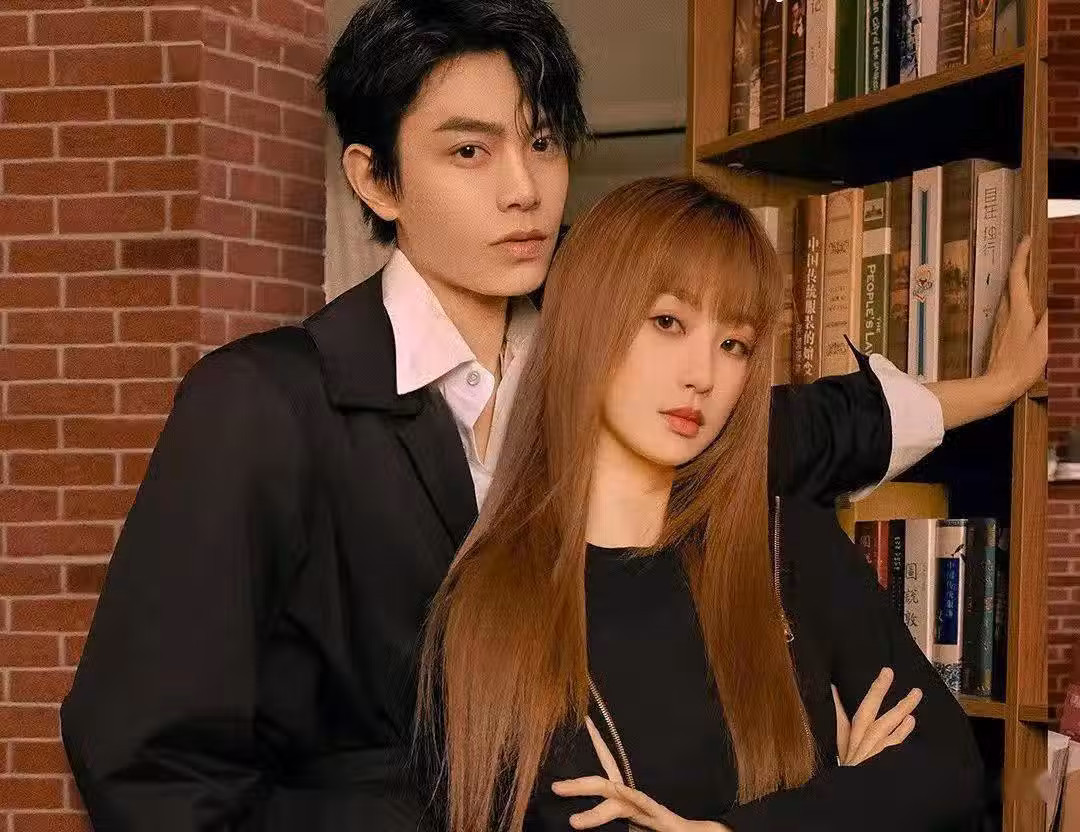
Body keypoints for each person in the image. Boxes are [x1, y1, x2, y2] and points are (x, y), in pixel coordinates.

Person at [59, 1, 1045, 830]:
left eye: (540, 142)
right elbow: (146, 765)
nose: (523, 190)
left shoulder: (615, 373)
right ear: (375, 179)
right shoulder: (265, 403)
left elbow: (793, 428)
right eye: (469, 151)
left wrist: (991, 390)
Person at [418, 177, 984, 832]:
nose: (703, 376)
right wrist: (851, 792)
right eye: (668, 323)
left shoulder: (786, 539)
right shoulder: (497, 608)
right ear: (587, 321)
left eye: (733, 344)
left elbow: (950, 773)